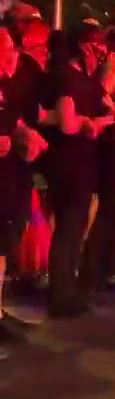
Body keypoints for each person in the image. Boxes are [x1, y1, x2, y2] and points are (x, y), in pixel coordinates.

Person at [45, 21, 115, 318]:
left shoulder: (83, 79)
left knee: (74, 227)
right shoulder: (67, 78)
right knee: (69, 228)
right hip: (69, 160)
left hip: (81, 160)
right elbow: (68, 122)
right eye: (97, 48)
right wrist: (97, 124)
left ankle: (67, 288)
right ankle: (61, 295)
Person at [77, 26, 115, 297]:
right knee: (111, 208)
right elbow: (99, 97)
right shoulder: (110, 69)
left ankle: (109, 266)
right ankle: (94, 272)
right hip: (110, 144)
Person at [0, 27, 49, 358]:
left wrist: (27, 136)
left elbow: (13, 122)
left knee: (4, 245)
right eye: (6, 50)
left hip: (13, 174)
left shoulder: (8, 86)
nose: (12, 57)